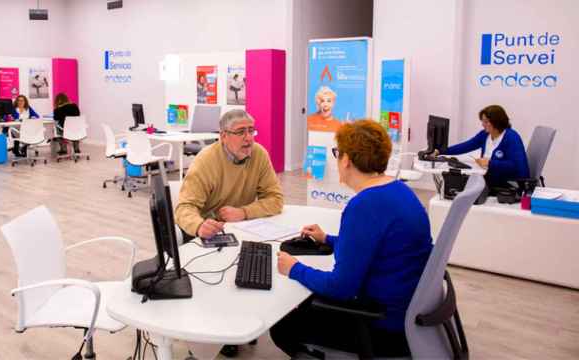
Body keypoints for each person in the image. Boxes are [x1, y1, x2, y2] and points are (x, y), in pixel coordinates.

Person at [270, 120, 433, 358]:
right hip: (404, 313)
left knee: (283, 327)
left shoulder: (364, 206)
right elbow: (375, 247)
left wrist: (294, 268)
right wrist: (328, 238)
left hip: (379, 325)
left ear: (346, 160)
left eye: (337, 154)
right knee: (305, 302)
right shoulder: (398, 190)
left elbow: (341, 287)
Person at [175, 109, 284, 358]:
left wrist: (243, 212)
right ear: (224, 136)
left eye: (251, 130)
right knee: (225, 277)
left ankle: (239, 319)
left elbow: (275, 199)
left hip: (242, 227)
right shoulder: (206, 160)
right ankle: (217, 328)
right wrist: (199, 225)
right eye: (241, 132)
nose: (249, 138)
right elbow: (184, 208)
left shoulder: (259, 155)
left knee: (259, 266)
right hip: (210, 232)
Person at [436, 104, 529, 188]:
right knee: (455, 180)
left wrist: (490, 163)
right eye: (483, 121)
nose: (483, 125)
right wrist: (441, 151)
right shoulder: (485, 134)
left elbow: (516, 167)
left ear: (497, 122)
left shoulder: (512, 137)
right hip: (489, 176)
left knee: (460, 184)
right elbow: (466, 146)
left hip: (506, 182)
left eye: (486, 122)